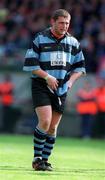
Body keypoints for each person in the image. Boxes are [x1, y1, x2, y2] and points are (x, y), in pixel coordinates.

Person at [23, 9, 86, 171]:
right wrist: (47, 77)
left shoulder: (73, 42)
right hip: (41, 85)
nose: (64, 26)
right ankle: (37, 159)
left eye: (67, 23)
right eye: (61, 23)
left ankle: (44, 160)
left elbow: (80, 68)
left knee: (52, 127)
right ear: (53, 22)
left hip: (61, 88)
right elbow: (32, 66)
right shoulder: (39, 38)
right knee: (45, 121)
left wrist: (71, 82)